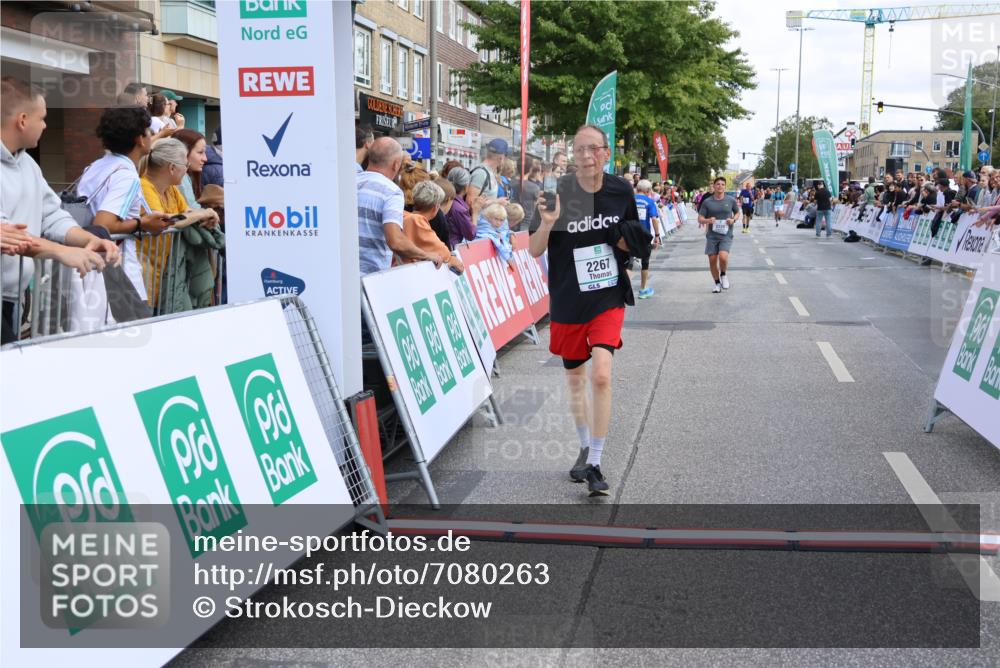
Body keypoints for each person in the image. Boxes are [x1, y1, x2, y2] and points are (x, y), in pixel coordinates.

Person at [529, 124, 643, 497]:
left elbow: (630, 233)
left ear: (606, 153)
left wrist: (629, 247)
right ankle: (583, 446)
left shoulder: (620, 190)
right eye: (579, 150)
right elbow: (533, 249)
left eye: (593, 149)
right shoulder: (556, 192)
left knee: (602, 375)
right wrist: (546, 224)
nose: (586, 156)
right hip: (567, 296)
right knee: (576, 379)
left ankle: (595, 461)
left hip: (607, 294)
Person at [1, 77, 121, 343]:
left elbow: (52, 215)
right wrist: (64, 252)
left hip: (14, 296)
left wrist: (90, 239)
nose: (45, 125)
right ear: (22, 120)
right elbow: (7, 235)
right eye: (42, 118)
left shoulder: (28, 165)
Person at [80, 105, 172, 301]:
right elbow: (103, 225)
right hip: (119, 270)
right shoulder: (127, 176)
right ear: (139, 138)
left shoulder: (95, 166)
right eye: (149, 132)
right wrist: (143, 224)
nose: (151, 136)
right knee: (134, 327)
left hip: (94, 268)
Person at [139, 138, 220, 311]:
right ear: (172, 168)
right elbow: (165, 220)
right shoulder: (144, 187)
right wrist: (203, 213)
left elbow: (187, 213)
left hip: (165, 270)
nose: (186, 170)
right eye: (185, 165)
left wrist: (205, 214)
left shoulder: (171, 189)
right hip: (144, 272)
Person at [357, 137, 445, 277]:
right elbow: (395, 241)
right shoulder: (391, 191)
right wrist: (426, 255)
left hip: (343, 277)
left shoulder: (351, 182)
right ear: (395, 164)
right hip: (369, 277)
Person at [401, 181, 463, 273]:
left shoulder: (403, 215)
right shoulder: (417, 221)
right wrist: (453, 259)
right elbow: (444, 253)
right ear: (436, 207)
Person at [697, 176, 739, 293]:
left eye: (722, 184)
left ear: (725, 187)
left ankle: (724, 274)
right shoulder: (707, 202)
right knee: (712, 260)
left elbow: (737, 213)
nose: (720, 186)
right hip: (712, 236)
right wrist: (708, 220)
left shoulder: (730, 200)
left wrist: (733, 220)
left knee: (723, 257)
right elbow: (700, 218)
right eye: (718, 184)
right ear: (714, 186)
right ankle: (717, 283)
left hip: (726, 234)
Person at [633, 179, 662, 299]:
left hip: (628, 234)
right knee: (645, 262)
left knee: (627, 262)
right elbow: (654, 219)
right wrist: (657, 235)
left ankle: (623, 290)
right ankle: (643, 289)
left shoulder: (629, 200)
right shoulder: (649, 201)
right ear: (648, 190)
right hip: (643, 235)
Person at [466, 138, 508, 207]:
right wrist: (497, 202)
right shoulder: (481, 173)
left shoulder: (489, 172)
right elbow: (470, 202)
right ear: (501, 158)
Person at [446, 167, 478, 247]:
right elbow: (471, 234)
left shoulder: (446, 200)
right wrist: (475, 213)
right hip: (453, 247)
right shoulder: (459, 208)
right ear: (466, 186)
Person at [476, 202, 515, 266]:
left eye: (501, 220)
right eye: (496, 219)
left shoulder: (495, 229)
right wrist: (508, 258)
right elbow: (498, 244)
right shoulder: (484, 227)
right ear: (489, 216)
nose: (498, 223)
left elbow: (505, 231)